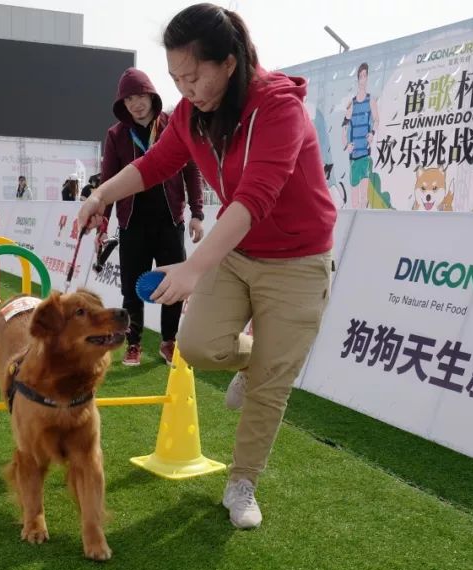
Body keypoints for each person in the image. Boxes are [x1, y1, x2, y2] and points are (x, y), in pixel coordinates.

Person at [78, 4, 336, 530]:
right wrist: (101, 194)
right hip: (237, 252)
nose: (185, 89)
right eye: (176, 79)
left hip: (298, 260)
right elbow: (154, 165)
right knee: (196, 347)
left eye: (193, 76)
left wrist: (193, 267)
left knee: (271, 385)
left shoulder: (279, 109)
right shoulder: (191, 116)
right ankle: (251, 360)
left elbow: (255, 198)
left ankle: (242, 482)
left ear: (230, 63)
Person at [99, 67, 204, 367]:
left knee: (174, 284)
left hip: (170, 222)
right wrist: (103, 223)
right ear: (123, 104)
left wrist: (197, 213)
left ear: (152, 95)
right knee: (132, 287)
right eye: (129, 99)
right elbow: (107, 181)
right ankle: (133, 344)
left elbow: (191, 169)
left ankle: (169, 342)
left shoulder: (173, 125)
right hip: (132, 225)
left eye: (141, 96)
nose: (136, 104)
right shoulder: (116, 135)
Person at [342, 62, 378, 209]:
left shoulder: (371, 100)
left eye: (365, 76)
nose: (363, 79)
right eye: (361, 76)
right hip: (354, 156)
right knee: (354, 198)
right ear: (358, 79)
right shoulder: (352, 103)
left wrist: (372, 133)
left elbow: (377, 120)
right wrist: (346, 144)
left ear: (367, 78)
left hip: (365, 154)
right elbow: (344, 126)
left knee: (364, 197)